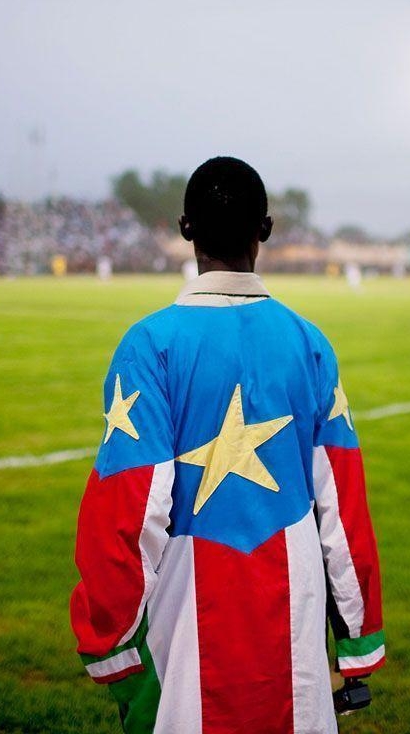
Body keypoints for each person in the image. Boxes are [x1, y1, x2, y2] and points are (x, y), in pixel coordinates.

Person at [70, 157, 385, 734]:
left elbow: (130, 506)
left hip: (185, 617)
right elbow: (340, 501)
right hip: (297, 604)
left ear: (185, 228)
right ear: (264, 229)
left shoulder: (147, 344)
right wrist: (359, 638)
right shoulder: (310, 343)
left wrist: (107, 639)